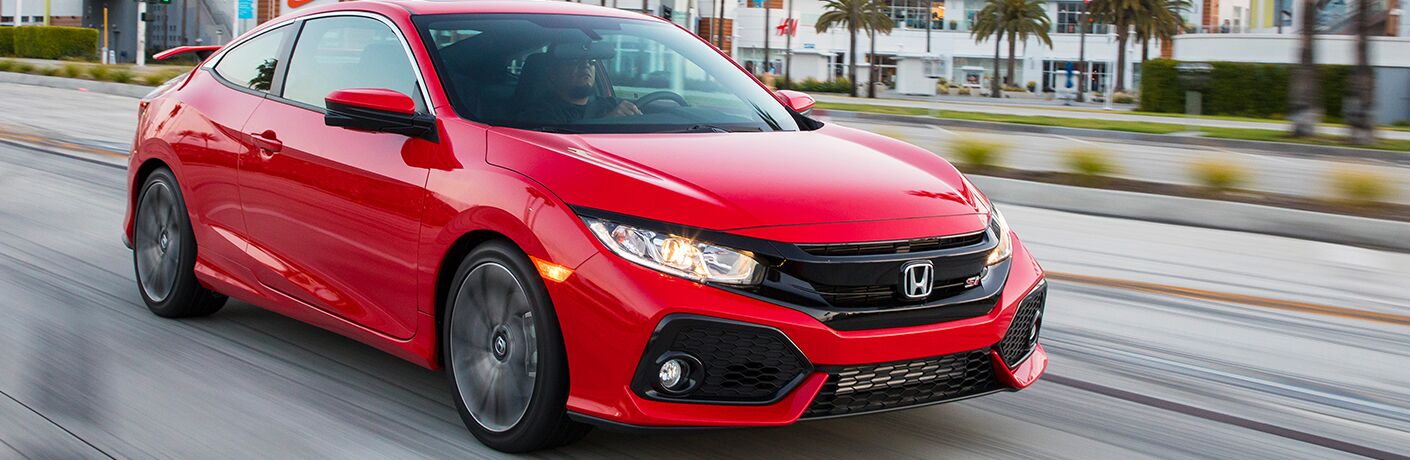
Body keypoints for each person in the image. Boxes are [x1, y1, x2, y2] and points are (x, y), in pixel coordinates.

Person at [519, 56, 641, 125]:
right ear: (553, 74)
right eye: (574, 60)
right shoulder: (538, 114)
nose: (585, 65)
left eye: (591, 62)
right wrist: (608, 122)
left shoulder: (612, 104)